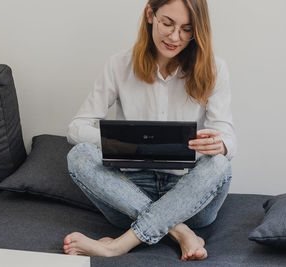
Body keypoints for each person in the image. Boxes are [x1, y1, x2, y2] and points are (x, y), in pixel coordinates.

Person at [63, 0, 237, 261]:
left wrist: (220, 144)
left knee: (220, 164)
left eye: (187, 29)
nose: (175, 37)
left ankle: (118, 245)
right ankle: (180, 231)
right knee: (79, 155)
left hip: (189, 195)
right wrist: (124, 143)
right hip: (129, 192)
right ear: (150, 14)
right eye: (167, 24)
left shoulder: (214, 68)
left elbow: (227, 136)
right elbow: (76, 128)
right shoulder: (118, 65)